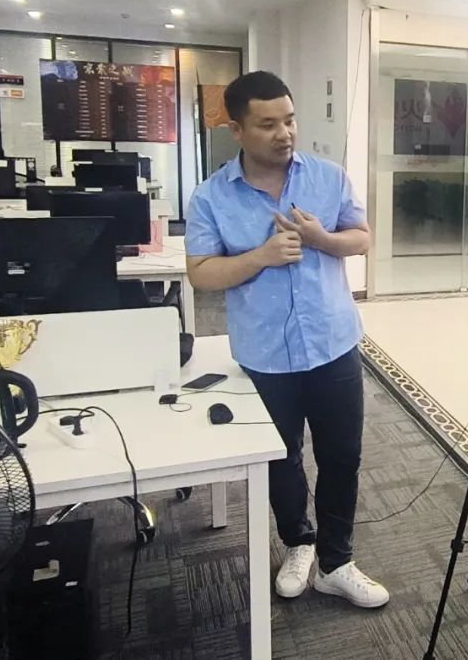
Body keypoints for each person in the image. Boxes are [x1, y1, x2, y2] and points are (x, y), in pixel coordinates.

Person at [184, 70, 388, 608]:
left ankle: (336, 562)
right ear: (237, 130)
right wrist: (260, 257)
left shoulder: (328, 177)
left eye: (290, 120)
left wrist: (322, 238)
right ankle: (299, 542)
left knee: (342, 456)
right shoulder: (210, 197)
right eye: (268, 124)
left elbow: (362, 238)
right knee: (281, 457)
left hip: (333, 343)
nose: (285, 133)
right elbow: (200, 273)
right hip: (265, 353)